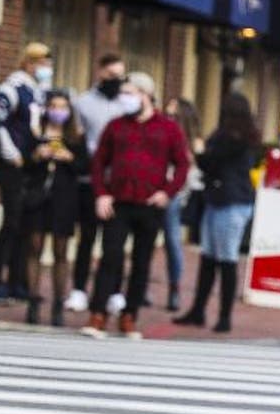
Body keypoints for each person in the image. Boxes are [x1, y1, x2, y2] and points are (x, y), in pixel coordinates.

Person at [83, 72, 189, 340]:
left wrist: (168, 192)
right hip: (119, 201)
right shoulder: (116, 126)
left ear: (146, 95)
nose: (125, 99)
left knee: (141, 262)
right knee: (111, 257)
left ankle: (129, 315)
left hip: (149, 203)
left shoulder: (168, 128)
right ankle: (98, 314)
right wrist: (101, 194)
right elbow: (99, 162)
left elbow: (182, 164)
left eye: (130, 93)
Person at [175, 92, 259, 334]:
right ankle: (199, 310)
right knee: (210, 257)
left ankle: (222, 316)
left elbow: (210, 162)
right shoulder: (239, 136)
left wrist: (201, 153)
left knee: (225, 259)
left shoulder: (233, 138)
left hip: (229, 201)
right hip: (221, 199)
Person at [66, 53, 129, 313]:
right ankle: (79, 289)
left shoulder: (127, 105)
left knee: (115, 241)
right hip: (89, 181)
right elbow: (77, 139)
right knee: (87, 238)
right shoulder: (82, 103)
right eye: (111, 75)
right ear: (100, 72)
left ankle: (114, 291)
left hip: (118, 183)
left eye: (120, 76)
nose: (116, 81)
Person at [0, 41, 51, 303]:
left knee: (26, 226)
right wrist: (10, 153)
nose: (47, 69)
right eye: (43, 64)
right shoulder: (12, 88)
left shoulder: (38, 92)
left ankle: (18, 282)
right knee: (11, 222)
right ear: (29, 63)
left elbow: (44, 129)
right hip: (13, 166)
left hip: (33, 166)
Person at [21, 90, 86, 327]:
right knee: (34, 247)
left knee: (60, 250)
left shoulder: (76, 136)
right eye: (54, 105)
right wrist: (38, 155)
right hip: (39, 197)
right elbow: (24, 162)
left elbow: (84, 166)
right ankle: (32, 300)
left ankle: (58, 302)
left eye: (62, 106)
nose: (57, 110)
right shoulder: (36, 133)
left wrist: (68, 158)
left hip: (64, 198)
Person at [159, 97, 202, 313]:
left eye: (174, 115)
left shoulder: (191, 141)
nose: (169, 119)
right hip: (151, 188)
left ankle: (174, 287)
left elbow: (192, 169)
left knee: (172, 240)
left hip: (173, 193)